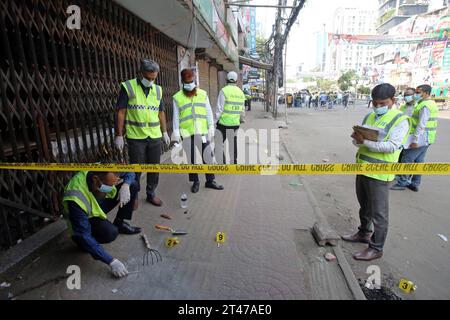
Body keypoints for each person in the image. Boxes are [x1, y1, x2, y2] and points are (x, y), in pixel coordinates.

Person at [343, 83, 409, 261]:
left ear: (392, 101)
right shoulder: (369, 116)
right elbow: (358, 143)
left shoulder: (400, 120)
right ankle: (364, 233)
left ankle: (376, 247)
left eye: (382, 103)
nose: (378, 107)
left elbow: (392, 146)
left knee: (379, 213)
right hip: (362, 168)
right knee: (364, 206)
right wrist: (357, 140)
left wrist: (364, 142)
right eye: (375, 103)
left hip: (380, 173)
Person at [63, 171, 140, 278]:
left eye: (114, 183)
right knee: (109, 233)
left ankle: (120, 223)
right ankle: (86, 245)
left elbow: (130, 172)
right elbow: (83, 234)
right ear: (95, 179)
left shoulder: (105, 169)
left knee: (133, 184)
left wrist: (126, 185)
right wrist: (111, 261)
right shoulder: (75, 199)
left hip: (98, 204)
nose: (112, 188)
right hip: (86, 216)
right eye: (109, 185)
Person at [115, 59, 170, 207]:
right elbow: (121, 112)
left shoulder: (157, 90)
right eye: (148, 78)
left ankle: (151, 193)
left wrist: (164, 132)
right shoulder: (129, 87)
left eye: (154, 78)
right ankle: (134, 196)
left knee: (154, 167)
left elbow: (161, 112)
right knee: (136, 168)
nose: (151, 81)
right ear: (141, 74)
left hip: (154, 136)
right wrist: (119, 135)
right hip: (136, 136)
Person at [172, 69, 224, 193]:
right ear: (183, 82)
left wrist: (211, 127)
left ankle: (210, 180)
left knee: (208, 156)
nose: (190, 84)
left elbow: (208, 112)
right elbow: (176, 117)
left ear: (194, 80)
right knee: (191, 159)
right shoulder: (177, 97)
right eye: (187, 82)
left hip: (202, 132)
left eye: (192, 81)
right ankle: (195, 181)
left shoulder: (202, 94)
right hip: (186, 132)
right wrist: (176, 135)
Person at [391, 84, 439, 192]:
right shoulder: (430, 104)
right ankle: (415, 183)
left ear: (426, 93)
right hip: (428, 138)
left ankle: (402, 182)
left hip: (421, 138)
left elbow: (421, 124)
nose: (416, 95)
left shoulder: (425, 106)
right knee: (419, 161)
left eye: (418, 93)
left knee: (406, 159)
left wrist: (415, 140)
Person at [216, 71, 246, 165]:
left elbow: (219, 108)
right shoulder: (241, 93)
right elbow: (242, 109)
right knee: (233, 143)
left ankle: (222, 162)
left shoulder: (224, 91)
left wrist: (214, 121)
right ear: (236, 80)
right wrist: (241, 119)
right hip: (235, 124)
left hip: (223, 123)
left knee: (218, 143)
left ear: (226, 80)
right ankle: (234, 163)